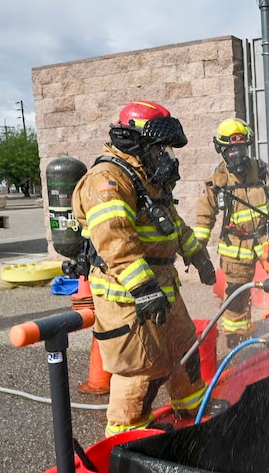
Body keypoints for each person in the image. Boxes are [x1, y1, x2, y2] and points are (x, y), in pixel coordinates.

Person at [72, 100, 226, 437]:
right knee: (139, 367)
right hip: (126, 292)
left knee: (182, 347)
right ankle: (129, 436)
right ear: (137, 143)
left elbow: (172, 224)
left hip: (162, 284)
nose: (165, 156)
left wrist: (197, 256)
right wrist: (143, 289)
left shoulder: (146, 180)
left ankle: (192, 404)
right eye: (160, 148)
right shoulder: (107, 180)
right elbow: (115, 239)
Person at [194, 118, 269, 349]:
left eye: (242, 148)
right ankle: (237, 340)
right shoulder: (218, 183)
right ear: (223, 151)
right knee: (236, 296)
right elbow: (205, 217)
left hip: (267, 238)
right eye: (232, 150)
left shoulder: (263, 170)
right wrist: (197, 249)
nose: (238, 154)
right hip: (236, 245)